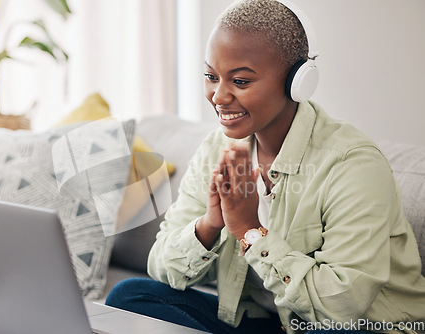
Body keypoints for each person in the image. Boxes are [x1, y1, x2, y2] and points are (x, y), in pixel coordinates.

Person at [106, 0, 425, 333]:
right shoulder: (217, 148)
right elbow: (161, 267)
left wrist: (249, 231)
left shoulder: (352, 164)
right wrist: (210, 224)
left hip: (358, 326)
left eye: (240, 81)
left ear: (297, 82)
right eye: (211, 77)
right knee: (131, 297)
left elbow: (341, 306)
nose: (218, 97)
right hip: (266, 321)